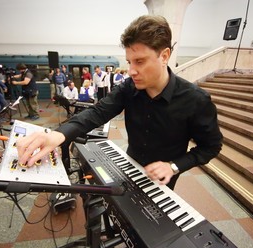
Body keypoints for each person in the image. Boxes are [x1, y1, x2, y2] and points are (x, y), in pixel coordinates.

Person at [16, 15, 222, 190]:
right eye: (129, 62)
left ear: (165, 55)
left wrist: (174, 166)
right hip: (130, 162)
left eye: (139, 61)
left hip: (164, 178)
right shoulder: (128, 88)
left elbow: (210, 147)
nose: (131, 71)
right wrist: (58, 134)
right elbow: (97, 113)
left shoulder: (196, 100)